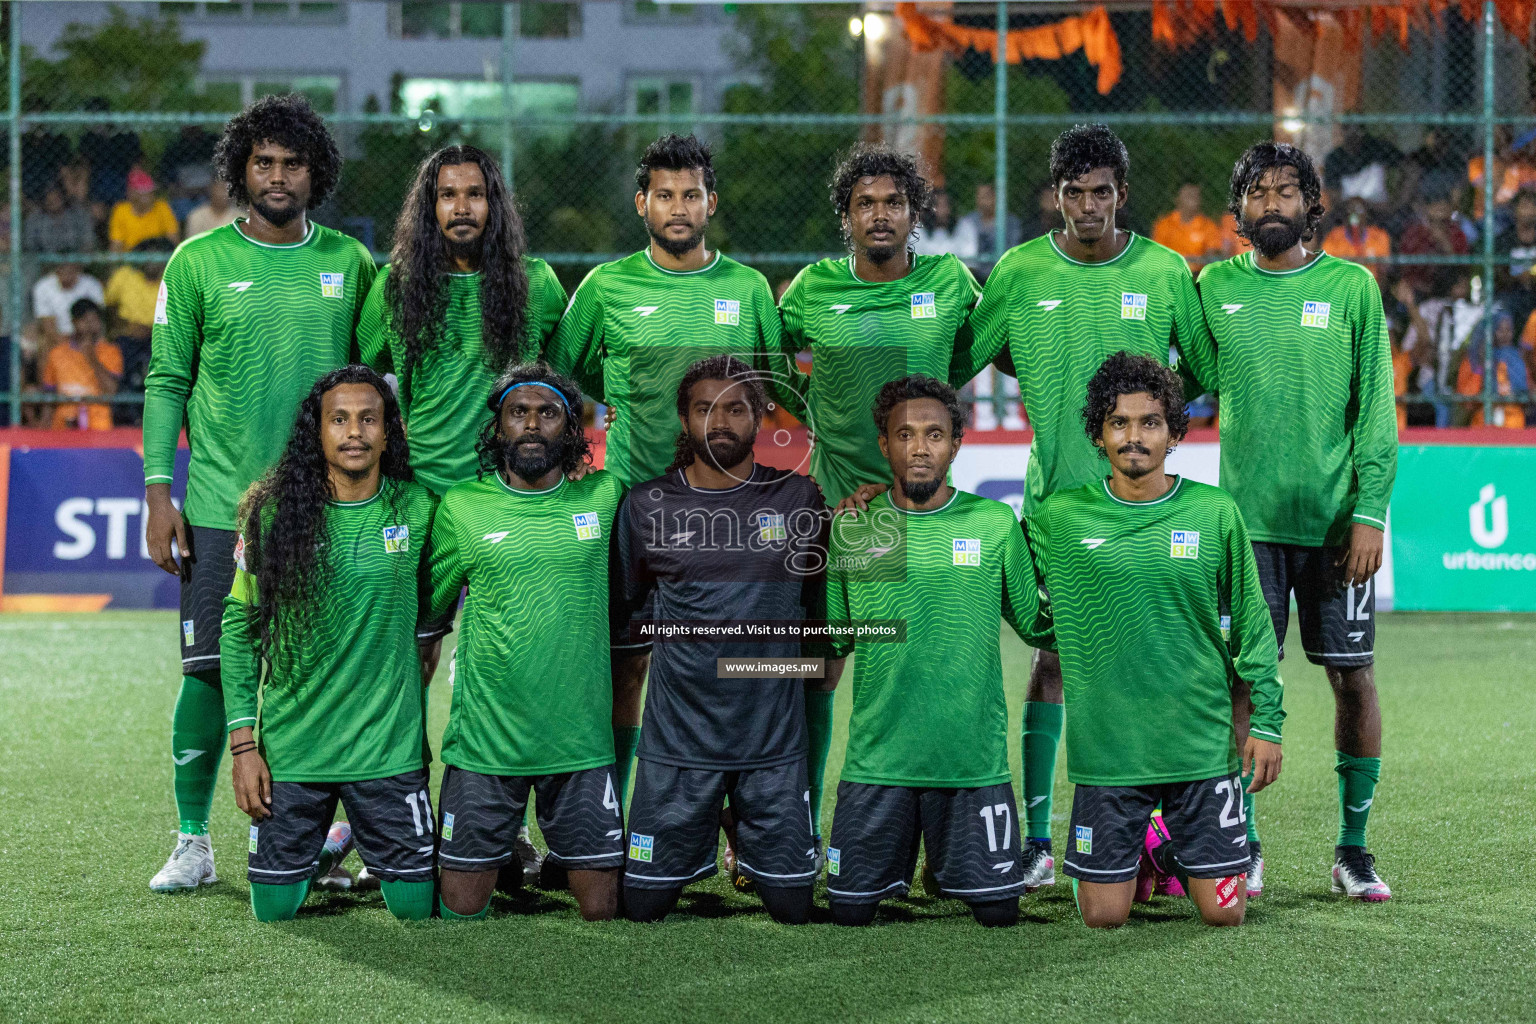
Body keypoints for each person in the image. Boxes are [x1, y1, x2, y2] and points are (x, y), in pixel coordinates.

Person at [904, 124, 1216, 892]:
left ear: (1122, 194)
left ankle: (1167, 834)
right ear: (1057, 195)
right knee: (1053, 664)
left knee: (1156, 667)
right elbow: (962, 359)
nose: (1087, 205)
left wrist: (1151, 430)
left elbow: (1203, 372)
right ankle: (1039, 838)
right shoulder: (1018, 271)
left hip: (1151, 509)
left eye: (1101, 191)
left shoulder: (1168, 271)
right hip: (1055, 510)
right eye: (1073, 192)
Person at [144, 93, 375, 893]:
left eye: (293, 164)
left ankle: (345, 829)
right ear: (241, 171)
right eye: (263, 163)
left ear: (317, 174)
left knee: (329, 672)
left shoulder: (348, 264)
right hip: (217, 509)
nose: (277, 178)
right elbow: (167, 380)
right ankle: (189, 842)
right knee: (207, 672)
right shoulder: (198, 263)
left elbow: (375, 382)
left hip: (326, 509)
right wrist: (156, 493)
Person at [545, 132, 801, 808]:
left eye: (691, 194)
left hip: (727, 514)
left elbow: (772, 387)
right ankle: (614, 814)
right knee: (625, 667)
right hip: (635, 506)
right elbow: (566, 371)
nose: (678, 206)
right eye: (665, 195)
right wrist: (622, 401)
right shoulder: (607, 285)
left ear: (711, 202)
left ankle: (739, 831)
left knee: (731, 672)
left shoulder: (745, 288)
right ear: (642, 203)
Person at [359, 143, 568, 880]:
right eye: (447, 195)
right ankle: (398, 822)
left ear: (495, 204)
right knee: (406, 669)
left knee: (512, 666)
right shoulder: (395, 286)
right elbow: (363, 384)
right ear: (429, 206)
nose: (461, 208)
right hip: (419, 509)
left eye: (475, 194)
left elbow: (559, 388)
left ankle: (508, 830)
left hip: (510, 507)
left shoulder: (536, 285)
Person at [1198, 141, 1396, 902]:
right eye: (1257, 192)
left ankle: (1354, 848)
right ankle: (1241, 843)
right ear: (1238, 213)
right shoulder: (1214, 286)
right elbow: (1186, 382)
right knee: (1240, 683)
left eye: (1288, 191)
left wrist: (1369, 512)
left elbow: (1376, 410)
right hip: (1246, 530)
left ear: (1313, 206)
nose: (1272, 202)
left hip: (1333, 525)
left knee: (1352, 676)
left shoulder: (1352, 288)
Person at [1028, 352, 1283, 928]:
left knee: (1226, 916)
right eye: (1119, 423)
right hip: (1109, 755)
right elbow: (1029, 609)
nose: (1133, 436)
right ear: (1098, 433)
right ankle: (1144, 845)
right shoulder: (1060, 516)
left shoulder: (1214, 512)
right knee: (1103, 917)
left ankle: (1165, 845)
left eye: (1149, 423)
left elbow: (1253, 624)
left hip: (1199, 749)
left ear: (1173, 433)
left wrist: (1267, 723)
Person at [823, 375, 1048, 928]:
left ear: (956, 442)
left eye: (934, 434)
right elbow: (835, 639)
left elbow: (1036, 624)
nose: (920, 448)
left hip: (972, 763)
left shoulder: (993, 523)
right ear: (884, 444)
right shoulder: (858, 528)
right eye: (904, 434)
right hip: (879, 764)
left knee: (998, 914)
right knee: (849, 913)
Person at [221, 366, 438, 922]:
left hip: (386, 750)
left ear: (389, 431)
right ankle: (332, 841)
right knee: (272, 910)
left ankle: (351, 833)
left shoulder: (419, 510)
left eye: (369, 419)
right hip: (294, 750)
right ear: (316, 432)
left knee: (415, 910)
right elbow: (238, 629)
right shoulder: (270, 517)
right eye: (338, 420)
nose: (354, 432)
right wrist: (245, 747)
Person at [619, 356, 830, 924]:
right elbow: (633, 613)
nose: (719, 420)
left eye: (734, 408)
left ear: (761, 417)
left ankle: (743, 824)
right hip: (677, 746)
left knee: (792, 909)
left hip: (771, 745)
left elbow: (814, 610)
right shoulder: (644, 505)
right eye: (703, 409)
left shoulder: (800, 499)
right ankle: (710, 818)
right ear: (684, 421)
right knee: (642, 907)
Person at [426, 365, 626, 922]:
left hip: (580, 742)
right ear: (498, 428)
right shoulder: (462, 506)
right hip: (486, 743)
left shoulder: (606, 496)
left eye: (548, 412)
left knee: (603, 912)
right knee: (461, 912)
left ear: (571, 427)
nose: (533, 424)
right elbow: (430, 616)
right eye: (519, 413)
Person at [104, 238, 173, 415]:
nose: (151, 261)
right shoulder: (125, 275)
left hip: (160, 339)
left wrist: (151, 331)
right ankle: (123, 415)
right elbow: (108, 309)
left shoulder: (173, 279)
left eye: (157, 256)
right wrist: (121, 327)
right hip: (126, 338)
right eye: (147, 256)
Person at [40, 298, 122, 430]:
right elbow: (48, 397)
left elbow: (111, 391)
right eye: (84, 321)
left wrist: (92, 358)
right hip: (64, 426)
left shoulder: (111, 352)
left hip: (99, 427)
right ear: (74, 322)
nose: (90, 326)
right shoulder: (57, 353)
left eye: (94, 321)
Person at [1398, 183, 1471, 297]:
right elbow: (1406, 267)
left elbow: (1461, 266)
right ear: (1427, 208)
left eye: (1443, 206)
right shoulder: (1415, 232)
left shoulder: (1456, 232)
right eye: (1435, 206)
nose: (1439, 210)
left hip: (1448, 285)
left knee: (1460, 287)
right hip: (1419, 286)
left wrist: (1443, 240)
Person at [31, 261, 104, 353]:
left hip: (85, 332)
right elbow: (48, 325)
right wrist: (67, 347)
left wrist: (84, 340)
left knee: (100, 342)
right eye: (62, 269)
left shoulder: (92, 285)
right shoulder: (43, 287)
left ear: (78, 269)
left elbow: (96, 321)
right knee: (45, 342)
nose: (66, 273)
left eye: (70, 270)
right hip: (59, 335)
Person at [1150, 182, 1223, 271]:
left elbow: (1211, 257)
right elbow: (1158, 255)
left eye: (1196, 195)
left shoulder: (1208, 225)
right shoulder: (1164, 224)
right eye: (1189, 195)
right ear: (1176, 198)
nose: (1193, 198)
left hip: (1197, 275)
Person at [1322, 197, 1392, 287]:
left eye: (1359, 210)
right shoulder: (1334, 236)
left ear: (1366, 214)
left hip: (1372, 286)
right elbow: (1326, 263)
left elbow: (1385, 266)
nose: (1354, 214)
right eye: (1351, 210)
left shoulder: (1379, 236)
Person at [108, 169, 179, 253]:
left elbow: (173, 240)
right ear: (131, 192)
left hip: (158, 256)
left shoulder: (162, 207)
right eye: (142, 191)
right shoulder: (121, 210)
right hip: (131, 259)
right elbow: (116, 246)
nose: (147, 195)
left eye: (149, 191)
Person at [953, 181, 1022, 266]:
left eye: (986, 196)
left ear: (995, 198)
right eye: (979, 196)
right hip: (973, 274)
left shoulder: (1011, 222)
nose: (982, 201)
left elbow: (1013, 252)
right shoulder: (969, 221)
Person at [24, 184, 96, 253]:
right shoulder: (35, 218)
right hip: (43, 261)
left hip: (75, 261)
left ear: (63, 197)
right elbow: (29, 247)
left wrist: (75, 263)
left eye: (56, 198)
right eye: (49, 200)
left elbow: (88, 242)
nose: (53, 201)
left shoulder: (78, 214)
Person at [912, 186, 967, 257]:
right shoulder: (918, 230)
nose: (942, 210)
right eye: (938, 205)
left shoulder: (963, 227)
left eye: (945, 205)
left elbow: (968, 256)